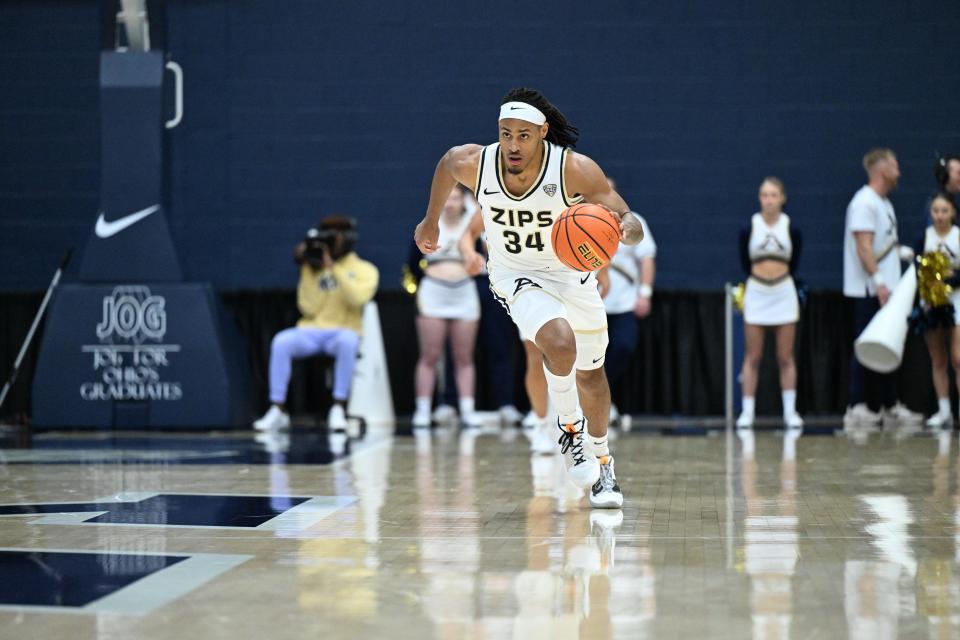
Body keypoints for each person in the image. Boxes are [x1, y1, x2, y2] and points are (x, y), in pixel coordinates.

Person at [416, 87, 644, 508]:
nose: (513, 144)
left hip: (571, 274)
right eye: (505, 134)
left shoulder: (573, 169)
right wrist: (430, 221)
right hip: (514, 274)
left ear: (542, 132)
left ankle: (604, 464)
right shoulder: (476, 162)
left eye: (523, 135)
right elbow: (447, 163)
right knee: (559, 343)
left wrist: (625, 229)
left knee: (592, 374)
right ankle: (569, 430)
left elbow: (626, 216)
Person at [254, 216, 379, 431]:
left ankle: (339, 408)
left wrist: (334, 269)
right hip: (312, 331)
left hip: (343, 332)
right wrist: (312, 268)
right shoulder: (311, 267)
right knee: (281, 342)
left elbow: (358, 299)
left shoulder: (365, 269)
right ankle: (278, 409)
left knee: (348, 342)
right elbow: (308, 308)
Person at [842, 148, 920, 426]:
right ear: (882, 170)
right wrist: (879, 283)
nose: (899, 170)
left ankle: (889, 405)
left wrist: (904, 254)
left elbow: (884, 244)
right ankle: (857, 405)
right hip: (870, 290)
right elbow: (864, 248)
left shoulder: (884, 203)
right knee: (866, 343)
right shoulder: (864, 202)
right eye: (894, 165)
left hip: (889, 289)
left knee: (890, 343)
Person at [408, 185, 482, 429]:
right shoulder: (429, 224)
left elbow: (481, 258)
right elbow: (412, 262)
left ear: (464, 201)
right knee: (429, 355)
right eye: (447, 197)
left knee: (464, 357)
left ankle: (467, 411)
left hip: (464, 292)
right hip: (434, 292)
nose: (451, 202)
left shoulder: (472, 226)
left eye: (456, 198)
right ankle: (422, 410)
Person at [735, 177, 803, 430]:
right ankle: (748, 412)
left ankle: (790, 412)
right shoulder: (749, 227)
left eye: (774, 194)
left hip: (783, 292)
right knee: (753, 356)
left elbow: (794, 261)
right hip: (757, 293)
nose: (769, 199)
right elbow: (745, 261)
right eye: (764, 194)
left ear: (783, 198)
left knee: (785, 356)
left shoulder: (791, 228)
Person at [603, 176, 657, 428]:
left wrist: (644, 293)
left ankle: (602, 396)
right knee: (588, 356)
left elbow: (646, 257)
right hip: (593, 301)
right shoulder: (581, 219)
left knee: (624, 347)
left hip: (624, 301)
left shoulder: (633, 222)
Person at [912, 191, 960, 428]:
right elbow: (918, 270)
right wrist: (930, 292)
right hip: (931, 301)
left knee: (958, 357)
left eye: (944, 211)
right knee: (938, 358)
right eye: (936, 211)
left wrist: (949, 282)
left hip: (957, 299)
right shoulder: (924, 237)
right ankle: (944, 411)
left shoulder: (958, 236)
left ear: (953, 213)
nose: (940, 216)